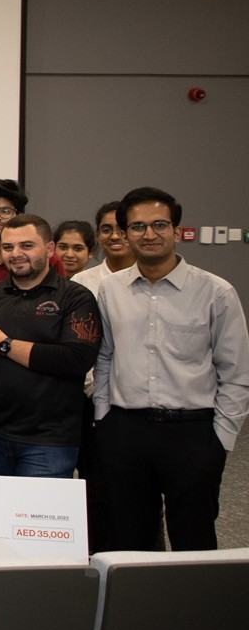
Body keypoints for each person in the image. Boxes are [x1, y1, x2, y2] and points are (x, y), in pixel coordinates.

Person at [93, 186, 249, 552]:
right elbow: (105, 357)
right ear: (126, 234)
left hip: (192, 432)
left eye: (159, 224)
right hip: (125, 430)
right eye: (138, 226)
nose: (149, 234)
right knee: (130, 536)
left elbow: (236, 372)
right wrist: (104, 418)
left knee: (194, 537)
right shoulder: (110, 290)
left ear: (176, 231)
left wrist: (221, 439)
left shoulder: (216, 292)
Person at [0, 214, 101, 479]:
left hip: (49, 440)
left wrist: (4, 345)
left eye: (26, 245)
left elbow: (76, 359)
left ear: (50, 249)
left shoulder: (75, 297)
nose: (16, 254)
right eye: (8, 247)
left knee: (41, 508)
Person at [71, 200, 135, 293]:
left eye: (122, 229)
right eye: (106, 230)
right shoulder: (81, 282)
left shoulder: (150, 278)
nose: (114, 236)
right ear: (98, 235)